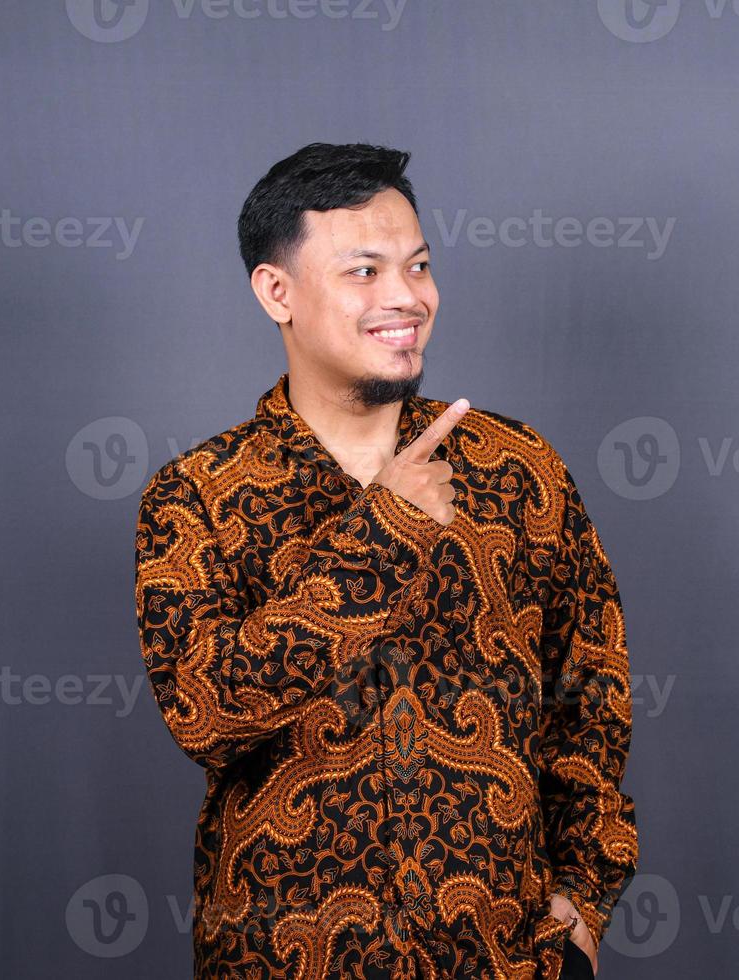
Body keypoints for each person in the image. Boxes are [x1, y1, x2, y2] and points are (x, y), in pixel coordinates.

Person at [134, 141, 637, 979]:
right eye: (364, 272)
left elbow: (592, 691)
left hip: (503, 959)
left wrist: (580, 908)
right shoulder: (197, 495)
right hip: (283, 961)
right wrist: (389, 529)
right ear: (276, 292)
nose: (407, 296)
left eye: (419, 265)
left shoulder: (516, 467)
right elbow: (206, 714)